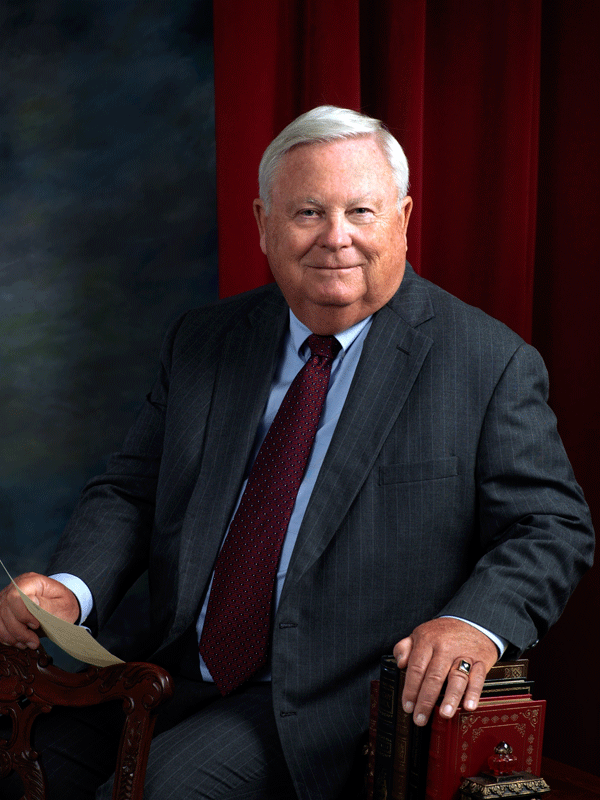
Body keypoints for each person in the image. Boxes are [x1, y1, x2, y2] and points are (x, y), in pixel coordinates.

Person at [0, 106, 594, 800]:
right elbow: (133, 490)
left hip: (325, 701)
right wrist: (71, 589)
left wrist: (474, 625)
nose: (336, 238)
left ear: (403, 218)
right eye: (308, 212)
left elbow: (551, 526)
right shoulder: (204, 339)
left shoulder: (487, 363)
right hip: (171, 669)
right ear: (263, 223)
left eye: (361, 211)